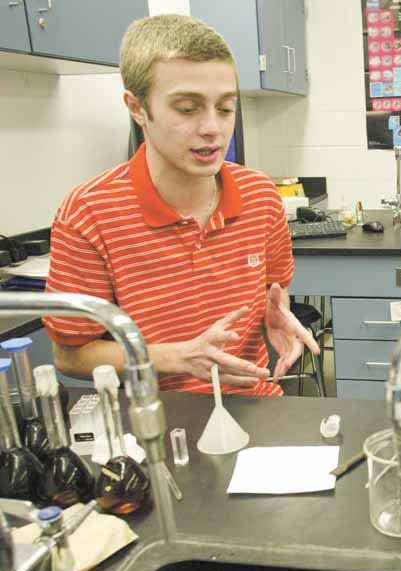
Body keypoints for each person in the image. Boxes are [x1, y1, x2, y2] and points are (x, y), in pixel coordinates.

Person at [43, 14, 319, 396]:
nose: (212, 128)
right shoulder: (89, 213)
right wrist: (179, 357)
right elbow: (70, 357)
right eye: (187, 109)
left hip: (254, 406)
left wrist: (274, 311)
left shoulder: (260, 196)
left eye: (224, 108)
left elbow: (274, 288)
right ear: (137, 107)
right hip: (153, 421)